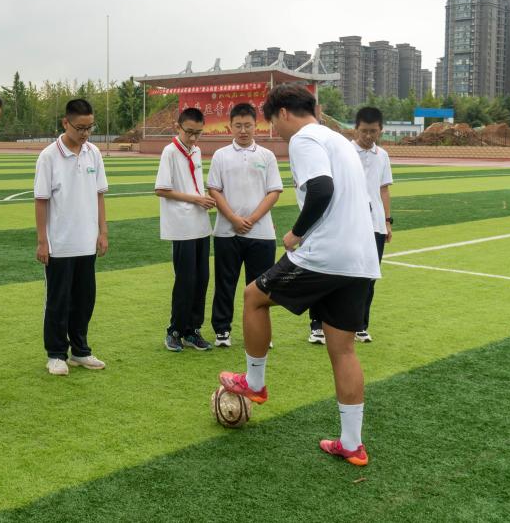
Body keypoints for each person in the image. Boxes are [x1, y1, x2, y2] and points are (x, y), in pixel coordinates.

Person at [218, 83, 380, 466]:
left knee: (253, 297)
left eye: (273, 123)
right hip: (360, 259)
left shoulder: (304, 139)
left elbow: (322, 190)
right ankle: (351, 444)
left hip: (325, 254)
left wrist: (296, 233)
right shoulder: (339, 140)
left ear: (284, 113)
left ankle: (254, 383)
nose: (275, 131)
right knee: (343, 349)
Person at [35, 99, 109, 376]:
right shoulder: (48, 156)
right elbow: (41, 200)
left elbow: (99, 195)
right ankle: (56, 354)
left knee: (84, 300)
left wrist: (103, 231)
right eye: (80, 128)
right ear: (65, 123)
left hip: (86, 242)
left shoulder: (94, 153)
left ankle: (80, 350)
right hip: (60, 244)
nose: (85, 133)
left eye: (90, 128)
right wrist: (42, 241)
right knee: (58, 301)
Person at [308, 107, 392, 344]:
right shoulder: (344, 151)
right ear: (355, 129)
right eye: (364, 131)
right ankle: (317, 325)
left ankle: (360, 325)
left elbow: (384, 189)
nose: (368, 136)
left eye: (373, 131)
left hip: (375, 225)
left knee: (368, 276)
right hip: (347, 221)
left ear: (380, 130)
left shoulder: (382, 155)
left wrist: (387, 221)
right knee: (330, 272)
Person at [207, 103, 283, 348]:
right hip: (226, 232)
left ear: (256, 126)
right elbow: (214, 190)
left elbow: (274, 191)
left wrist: (251, 219)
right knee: (225, 283)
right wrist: (234, 219)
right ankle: (222, 330)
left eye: (247, 125)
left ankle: (260, 333)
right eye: (238, 126)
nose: (243, 130)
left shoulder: (267, 155)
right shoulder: (220, 155)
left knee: (261, 287)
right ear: (230, 126)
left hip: (261, 233)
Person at [154, 108, 217, 352]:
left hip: (200, 224)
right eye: (189, 132)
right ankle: (175, 330)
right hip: (182, 226)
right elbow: (161, 189)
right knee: (185, 280)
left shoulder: (196, 150)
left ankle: (193, 330)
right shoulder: (170, 152)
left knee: (202, 279)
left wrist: (203, 198)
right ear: (177, 127)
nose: (193, 137)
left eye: (198, 133)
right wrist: (196, 199)